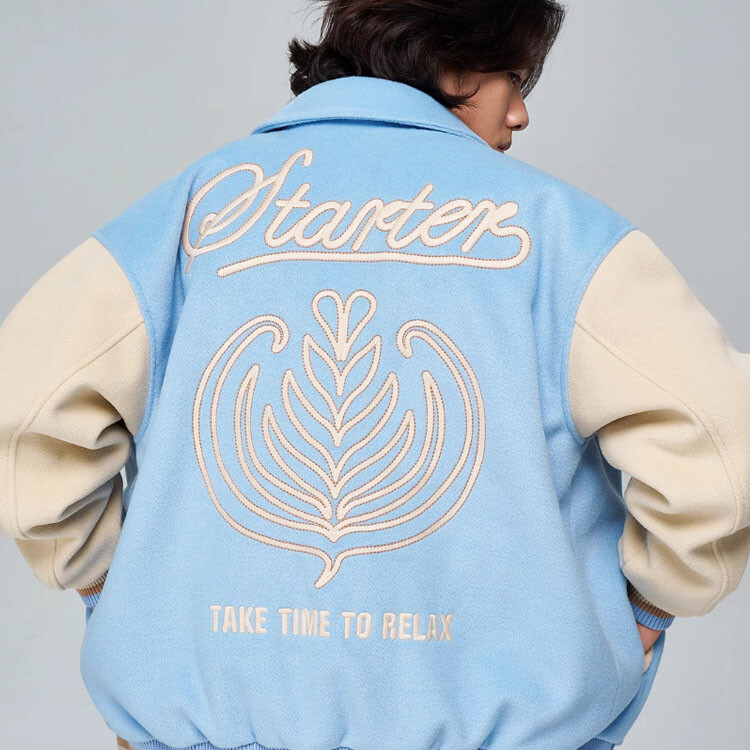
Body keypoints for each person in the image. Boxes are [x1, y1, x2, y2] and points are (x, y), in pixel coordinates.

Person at [1, 1, 749, 749]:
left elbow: (27, 411)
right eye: (515, 80)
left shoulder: (185, 216)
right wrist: (652, 604)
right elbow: (720, 451)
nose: (520, 113)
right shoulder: (565, 235)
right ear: (453, 61)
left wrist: (106, 586)